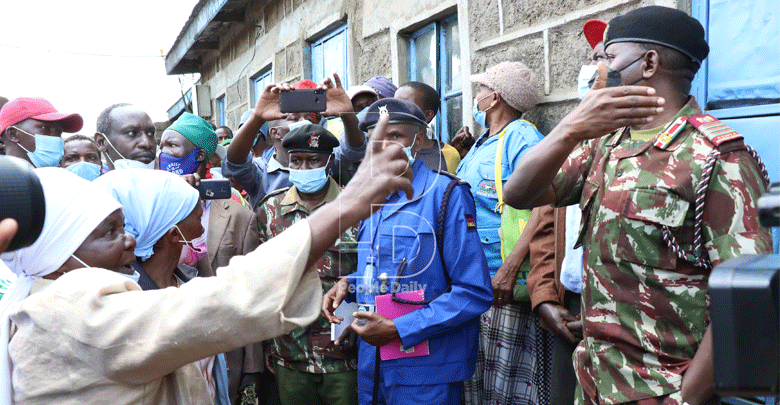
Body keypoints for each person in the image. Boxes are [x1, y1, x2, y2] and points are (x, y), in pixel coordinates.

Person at [0, 111, 414, 404]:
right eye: (109, 233)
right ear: (60, 248)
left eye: (124, 226)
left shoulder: (47, 300)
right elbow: (233, 295)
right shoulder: (75, 317)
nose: (130, 241)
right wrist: (354, 200)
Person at [503, 6, 771, 404]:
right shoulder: (605, 144)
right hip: (595, 381)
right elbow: (518, 192)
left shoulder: (717, 157)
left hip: (663, 389)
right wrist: (571, 125)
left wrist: (686, 400)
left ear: (648, 63)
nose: (599, 69)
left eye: (608, 57)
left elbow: (743, 303)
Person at [322, 98, 493, 405]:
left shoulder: (446, 195)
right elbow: (384, 272)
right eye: (377, 137)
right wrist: (350, 284)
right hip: (373, 365)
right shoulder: (370, 199)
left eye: (396, 135)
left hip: (426, 371)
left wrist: (400, 328)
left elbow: (473, 291)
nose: (385, 145)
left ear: (418, 138)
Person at [453, 61, 548, 405]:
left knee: (504, 388)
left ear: (493, 98)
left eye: (480, 90)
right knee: (482, 381)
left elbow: (545, 203)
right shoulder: (484, 142)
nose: (475, 96)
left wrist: (509, 270)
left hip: (500, 282)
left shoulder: (520, 137)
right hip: (478, 279)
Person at [95, 169, 231, 405]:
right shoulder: (127, 307)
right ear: (173, 234)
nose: (202, 231)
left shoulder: (186, 283)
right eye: (199, 220)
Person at [525, 18, 607, 405]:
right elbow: (543, 225)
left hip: (628, 319)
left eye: (607, 56)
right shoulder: (571, 141)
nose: (594, 68)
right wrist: (543, 298)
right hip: (569, 304)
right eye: (593, 57)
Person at [258, 123, 358, 405]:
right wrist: (266, 343)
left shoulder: (355, 209)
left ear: (330, 161)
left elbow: (371, 274)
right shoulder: (269, 211)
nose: (304, 167)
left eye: (313, 160)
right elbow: (261, 282)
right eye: (297, 161)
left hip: (344, 353)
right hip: (290, 353)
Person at [224, 74, 366, 209]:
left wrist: (347, 113)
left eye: (309, 119)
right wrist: (257, 117)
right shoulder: (261, 173)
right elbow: (234, 163)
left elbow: (355, 149)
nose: (304, 123)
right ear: (275, 132)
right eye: (295, 118)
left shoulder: (325, 161)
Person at [394, 81, 460, 173]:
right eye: (395, 105)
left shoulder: (448, 155)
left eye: (407, 106)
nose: (397, 111)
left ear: (428, 115)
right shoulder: (382, 149)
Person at [0, 97, 83, 168]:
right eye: (45, 128)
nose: (55, 137)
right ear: (12, 134)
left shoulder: (66, 182)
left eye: (59, 132)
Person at [94, 103, 158, 170]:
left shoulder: (168, 179)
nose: (147, 144)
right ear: (101, 142)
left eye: (150, 133)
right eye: (132, 133)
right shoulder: (97, 181)